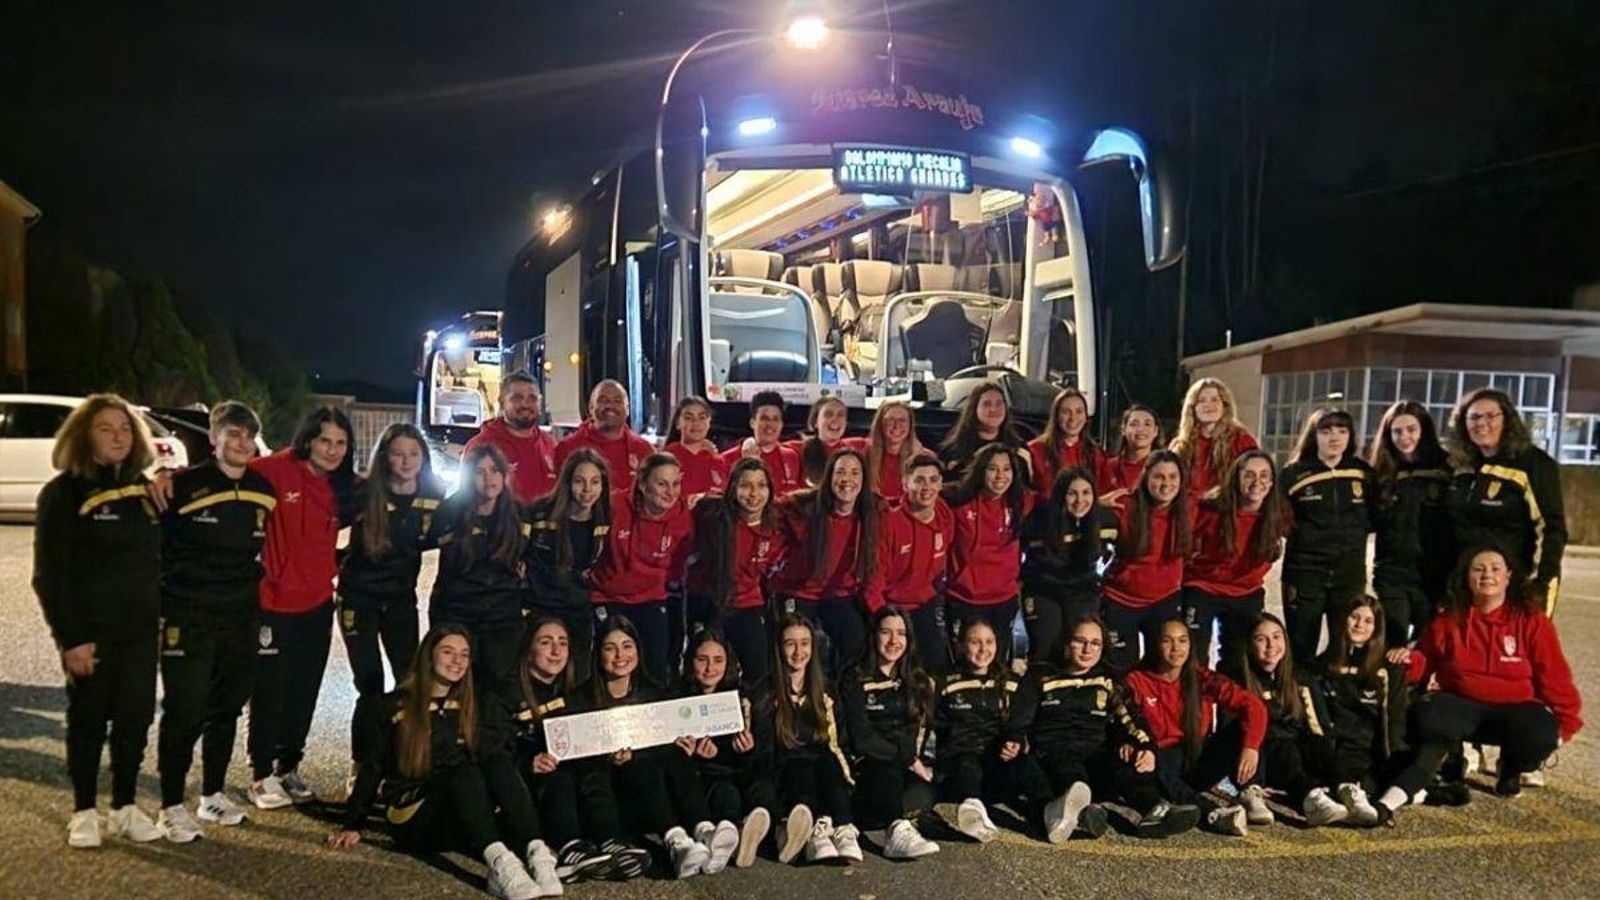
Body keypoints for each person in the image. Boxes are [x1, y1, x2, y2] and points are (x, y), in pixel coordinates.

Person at [328, 625, 561, 900]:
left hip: (462, 809)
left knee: (495, 761)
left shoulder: (471, 703)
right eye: (448, 652)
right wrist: (353, 823)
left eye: (464, 654)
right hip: (413, 814)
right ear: (428, 656)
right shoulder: (392, 705)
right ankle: (501, 863)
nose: (457, 661)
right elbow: (373, 767)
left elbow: (494, 756)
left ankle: (537, 854)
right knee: (463, 772)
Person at [35, 394, 166, 848]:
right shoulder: (63, 492)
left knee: (135, 721)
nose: (118, 437)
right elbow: (49, 575)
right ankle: (84, 811)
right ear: (83, 435)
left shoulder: (144, 489)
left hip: (141, 631)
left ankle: (125, 808)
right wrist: (71, 640)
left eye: (125, 428)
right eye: (105, 428)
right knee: (88, 722)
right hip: (92, 635)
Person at [1379, 547, 1583, 819]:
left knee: (1541, 733)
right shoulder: (1450, 619)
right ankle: (1450, 757)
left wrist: (1565, 725)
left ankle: (1510, 766)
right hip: (1462, 705)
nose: (1487, 575)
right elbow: (1426, 657)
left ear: (1509, 576)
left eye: (1495, 568)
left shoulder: (1531, 620)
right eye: (1478, 569)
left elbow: (1554, 675)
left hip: (1515, 709)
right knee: (1427, 714)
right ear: (1467, 577)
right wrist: (1408, 661)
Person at [155, 401, 277, 842]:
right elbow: (153, 549)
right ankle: (170, 806)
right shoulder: (180, 487)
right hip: (188, 615)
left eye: (249, 436)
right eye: (233, 434)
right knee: (184, 712)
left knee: (225, 710)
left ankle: (211, 796)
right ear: (214, 438)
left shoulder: (264, 488)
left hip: (240, 615)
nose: (242, 443)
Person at [243, 406, 357, 808]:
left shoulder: (340, 487)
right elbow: (224, 472)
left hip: (317, 604)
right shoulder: (272, 469)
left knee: (304, 690)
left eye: (341, 443)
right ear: (308, 438)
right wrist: (171, 478)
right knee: (269, 690)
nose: (332, 450)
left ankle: (287, 767)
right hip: (272, 604)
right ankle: (259, 774)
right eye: (325, 440)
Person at [577, 617, 731, 879]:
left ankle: (703, 829)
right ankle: (676, 842)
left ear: (638, 651)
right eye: (610, 648)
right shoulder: (582, 699)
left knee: (673, 753)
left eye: (627, 646)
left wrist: (685, 745)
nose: (620, 655)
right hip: (615, 795)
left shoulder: (656, 695)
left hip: (657, 793)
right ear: (597, 653)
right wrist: (609, 759)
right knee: (642, 763)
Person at [1009, 616, 1184, 841]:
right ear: (1066, 643)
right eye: (1080, 641)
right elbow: (1019, 719)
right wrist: (1014, 738)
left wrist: (1146, 746)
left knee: (1122, 765)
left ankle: (1155, 809)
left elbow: (1131, 716)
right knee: (1069, 768)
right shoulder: (1040, 676)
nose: (1087, 649)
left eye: (1095, 643)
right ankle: (1081, 811)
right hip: (1053, 752)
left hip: (1094, 751)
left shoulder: (1108, 679)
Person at [337, 423, 445, 777]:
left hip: (401, 602)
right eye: (398, 453)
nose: (406, 460)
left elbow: (454, 534)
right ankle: (363, 766)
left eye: (414, 453)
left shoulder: (435, 495)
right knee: (369, 686)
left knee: (408, 683)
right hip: (359, 601)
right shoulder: (363, 494)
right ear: (384, 457)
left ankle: (400, 762)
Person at [508, 618, 643, 884]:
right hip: (527, 782)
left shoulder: (574, 692)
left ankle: (608, 839)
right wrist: (527, 762)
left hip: (570, 777)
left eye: (563, 643)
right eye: (546, 643)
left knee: (592, 768)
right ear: (528, 649)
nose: (556, 651)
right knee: (559, 776)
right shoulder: (506, 692)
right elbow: (493, 749)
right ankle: (569, 848)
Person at [1122, 619, 1266, 836]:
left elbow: (1253, 706)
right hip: (1159, 760)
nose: (1176, 648)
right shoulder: (1137, 680)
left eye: (1182, 641)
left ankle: (1250, 791)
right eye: (1167, 641)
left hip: (1195, 756)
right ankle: (1213, 813)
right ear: (1155, 644)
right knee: (1151, 760)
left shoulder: (1201, 677)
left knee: (1242, 730)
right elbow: (1125, 721)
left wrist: (1251, 747)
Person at [1445, 387, 1568, 615]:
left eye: (1491, 416)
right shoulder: (1460, 467)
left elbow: (1552, 529)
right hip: (1463, 589)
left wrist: (1541, 585)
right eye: (1473, 417)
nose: (1481, 423)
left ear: (1508, 420)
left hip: (1514, 586)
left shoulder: (1533, 464)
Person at [751, 615, 861, 865]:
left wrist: (848, 779)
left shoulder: (826, 691)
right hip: (782, 769)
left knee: (826, 761)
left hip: (821, 768)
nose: (798, 651)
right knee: (799, 766)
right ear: (779, 648)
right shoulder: (764, 692)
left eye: (805, 643)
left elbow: (836, 744)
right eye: (790, 643)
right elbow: (764, 749)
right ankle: (805, 833)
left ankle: (842, 827)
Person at [429, 444, 530, 705]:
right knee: (457, 692)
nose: (489, 478)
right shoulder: (449, 513)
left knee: (497, 695)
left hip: (502, 620)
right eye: (480, 472)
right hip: (458, 614)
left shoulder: (519, 514)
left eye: (495, 470)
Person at [837, 608, 941, 859]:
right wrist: (907, 758)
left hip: (900, 767)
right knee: (884, 771)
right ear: (873, 636)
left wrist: (913, 760)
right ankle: (896, 830)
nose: (894, 641)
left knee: (925, 793)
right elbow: (861, 739)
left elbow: (915, 733)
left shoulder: (917, 680)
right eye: (886, 632)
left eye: (901, 634)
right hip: (866, 767)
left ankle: (885, 818)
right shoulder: (855, 678)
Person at [586, 453, 695, 685]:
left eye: (676, 484)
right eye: (662, 484)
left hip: (651, 597)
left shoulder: (684, 517)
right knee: (608, 665)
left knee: (656, 667)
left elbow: (680, 562)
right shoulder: (614, 506)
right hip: (607, 596)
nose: (671, 492)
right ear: (643, 485)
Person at [1235, 614, 1352, 827]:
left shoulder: (1300, 677)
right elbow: (1232, 730)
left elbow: (1319, 726)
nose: (1271, 645)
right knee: (1284, 749)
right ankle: (1309, 799)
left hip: (1296, 752)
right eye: (1261, 639)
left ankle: (1347, 791)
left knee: (1319, 742)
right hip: (1262, 757)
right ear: (1250, 645)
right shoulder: (1240, 680)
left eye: (1277, 637)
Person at [673, 628, 775, 869]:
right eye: (702, 660)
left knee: (763, 791)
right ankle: (731, 837)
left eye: (718, 660)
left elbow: (762, 748)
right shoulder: (677, 698)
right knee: (725, 795)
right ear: (690, 661)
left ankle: (766, 831)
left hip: (741, 770)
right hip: (709, 777)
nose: (710, 668)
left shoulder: (742, 697)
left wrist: (748, 748)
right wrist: (690, 755)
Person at [770, 447, 878, 676]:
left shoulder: (871, 512)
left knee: (856, 642)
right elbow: (763, 506)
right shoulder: (802, 507)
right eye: (840, 472)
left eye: (854, 473)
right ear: (829, 477)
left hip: (838, 594)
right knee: (793, 645)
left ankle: (842, 703)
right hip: (797, 591)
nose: (847, 479)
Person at [1280, 408, 1376, 662]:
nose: (1334, 437)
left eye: (1341, 431)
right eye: (1326, 431)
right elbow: (1278, 520)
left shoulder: (1363, 473)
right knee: (1302, 649)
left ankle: (1336, 700)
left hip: (1349, 575)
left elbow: (1377, 516)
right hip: (1305, 575)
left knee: (1344, 647)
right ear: (1314, 435)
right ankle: (1301, 699)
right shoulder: (1294, 475)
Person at [1184, 450, 1290, 671]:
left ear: (1271, 483)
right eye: (1249, 475)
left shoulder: (1277, 515)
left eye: (1263, 476)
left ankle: (1231, 705)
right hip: (1203, 588)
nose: (1257, 482)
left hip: (1245, 592)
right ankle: (1196, 704)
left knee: (1240, 660)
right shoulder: (1211, 510)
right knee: (1193, 657)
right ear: (1236, 478)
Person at [685, 457, 786, 684]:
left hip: (748, 604)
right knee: (703, 673)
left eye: (761, 485)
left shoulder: (775, 525)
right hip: (708, 600)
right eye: (746, 485)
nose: (754, 493)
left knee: (759, 674)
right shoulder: (711, 515)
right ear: (733, 488)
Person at [1311, 595, 1406, 827]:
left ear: (1376, 628)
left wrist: (1393, 754)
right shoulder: (1324, 665)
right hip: (1336, 745)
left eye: (1367, 621)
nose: (1359, 625)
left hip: (1368, 748)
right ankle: (1348, 793)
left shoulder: (1386, 668)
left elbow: (1393, 719)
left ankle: (1353, 793)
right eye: (1354, 617)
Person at [1368, 401, 1453, 643]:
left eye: (1411, 429)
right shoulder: (1382, 472)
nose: (1404, 437)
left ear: (1424, 429)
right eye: (1397, 431)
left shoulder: (1444, 468)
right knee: (1393, 643)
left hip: (1433, 575)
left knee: (1428, 644)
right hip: (1392, 573)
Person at [1102, 451, 1192, 674]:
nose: (1166, 484)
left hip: (1164, 602)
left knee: (1162, 669)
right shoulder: (1124, 504)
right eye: (1159, 477)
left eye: (1173, 477)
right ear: (1146, 477)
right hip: (1120, 600)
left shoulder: (1189, 508)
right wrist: (1096, 502)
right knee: (1120, 671)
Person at [524, 449, 609, 684]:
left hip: (578, 612)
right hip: (541, 608)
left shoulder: (605, 519)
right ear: (567, 482)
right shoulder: (539, 514)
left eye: (594, 482)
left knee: (577, 678)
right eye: (579, 481)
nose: (587, 490)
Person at [943, 443, 1033, 665]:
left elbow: (1063, 497)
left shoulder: (1021, 502)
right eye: (993, 468)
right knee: (961, 663)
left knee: (998, 664)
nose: (1000, 476)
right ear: (980, 470)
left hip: (1003, 600)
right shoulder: (956, 502)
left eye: (1006, 469)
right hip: (963, 599)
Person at [865, 452, 954, 674]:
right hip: (889, 607)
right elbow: (873, 579)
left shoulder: (945, 517)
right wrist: (883, 619)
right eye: (919, 480)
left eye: (934, 480)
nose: (927, 487)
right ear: (905, 484)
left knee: (936, 668)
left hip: (923, 606)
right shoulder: (889, 522)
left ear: (941, 483)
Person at [934, 617, 1021, 843]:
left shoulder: (1012, 683)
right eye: (975, 642)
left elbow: (1020, 723)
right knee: (967, 762)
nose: (984, 649)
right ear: (961, 645)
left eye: (989, 642)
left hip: (996, 762)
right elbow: (927, 724)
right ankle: (972, 809)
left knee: (1026, 767)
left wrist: (1016, 741)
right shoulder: (944, 682)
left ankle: (1051, 811)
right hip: (959, 764)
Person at [1020, 466, 1116, 665]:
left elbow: (1111, 557)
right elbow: (1026, 559)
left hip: (1084, 592)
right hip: (1044, 592)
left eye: (1086, 493)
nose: (1080, 500)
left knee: (1081, 648)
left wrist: (1098, 579)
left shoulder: (1106, 521)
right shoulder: (1040, 520)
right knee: (1045, 649)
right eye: (1072, 493)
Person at [464, 371, 559, 504]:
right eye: (517, 398)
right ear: (502, 403)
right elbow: (468, 499)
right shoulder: (480, 446)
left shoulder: (551, 445)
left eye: (532, 398)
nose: (525, 405)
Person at [555, 380, 654, 492]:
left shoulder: (644, 450)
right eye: (603, 400)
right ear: (591, 408)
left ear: (628, 410)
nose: (610, 406)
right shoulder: (568, 448)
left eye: (617, 401)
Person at [1169, 378, 1257, 498]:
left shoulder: (1242, 440)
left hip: (1226, 509)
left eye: (1214, 399)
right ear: (1192, 408)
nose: (1208, 405)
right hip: (1188, 511)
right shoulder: (1180, 445)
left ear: (1224, 406)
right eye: (1201, 401)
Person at [936, 382, 1028, 484]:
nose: (993, 409)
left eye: (999, 404)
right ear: (974, 409)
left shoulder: (1019, 450)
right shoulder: (952, 451)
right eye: (986, 404)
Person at [721, 390, 804, 496]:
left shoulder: (792, 456)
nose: (770, 424)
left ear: (782, 424)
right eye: (764, 418)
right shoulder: (728, 459)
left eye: (775, 419)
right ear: (752, 423)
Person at [1027, 387, 1106, 497]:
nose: (1073, 418)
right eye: (1066, 412)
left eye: (1079, 411)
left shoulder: (1096, 452)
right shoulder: (1035, 450)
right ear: (1056, 416)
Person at [663, 395, 729, 499]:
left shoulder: (718, 460)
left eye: (702, 417)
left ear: (709, 422)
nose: (696, 423)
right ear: (677, 423)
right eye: (689, 418)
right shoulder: (666, 458)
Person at [859, 400, 923, 502]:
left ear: (910, 425)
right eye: (890, 420)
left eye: (902, 420)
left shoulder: (923, 457)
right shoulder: (864, 451)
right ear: (880, 424)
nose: (896, 425)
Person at [1097, 404, 1162, 500]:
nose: (1140, 429)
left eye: (1147, 424)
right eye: (1134, 424)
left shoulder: (1163, 466)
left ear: (1155, 431)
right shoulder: (1108, 467)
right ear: (1123, 430)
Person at [790, 395, 851, 489]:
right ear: (815, 422)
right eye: (828, 414)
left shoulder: (855, 449)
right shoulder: (796, 449)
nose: (835, 419)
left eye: (840, 415)